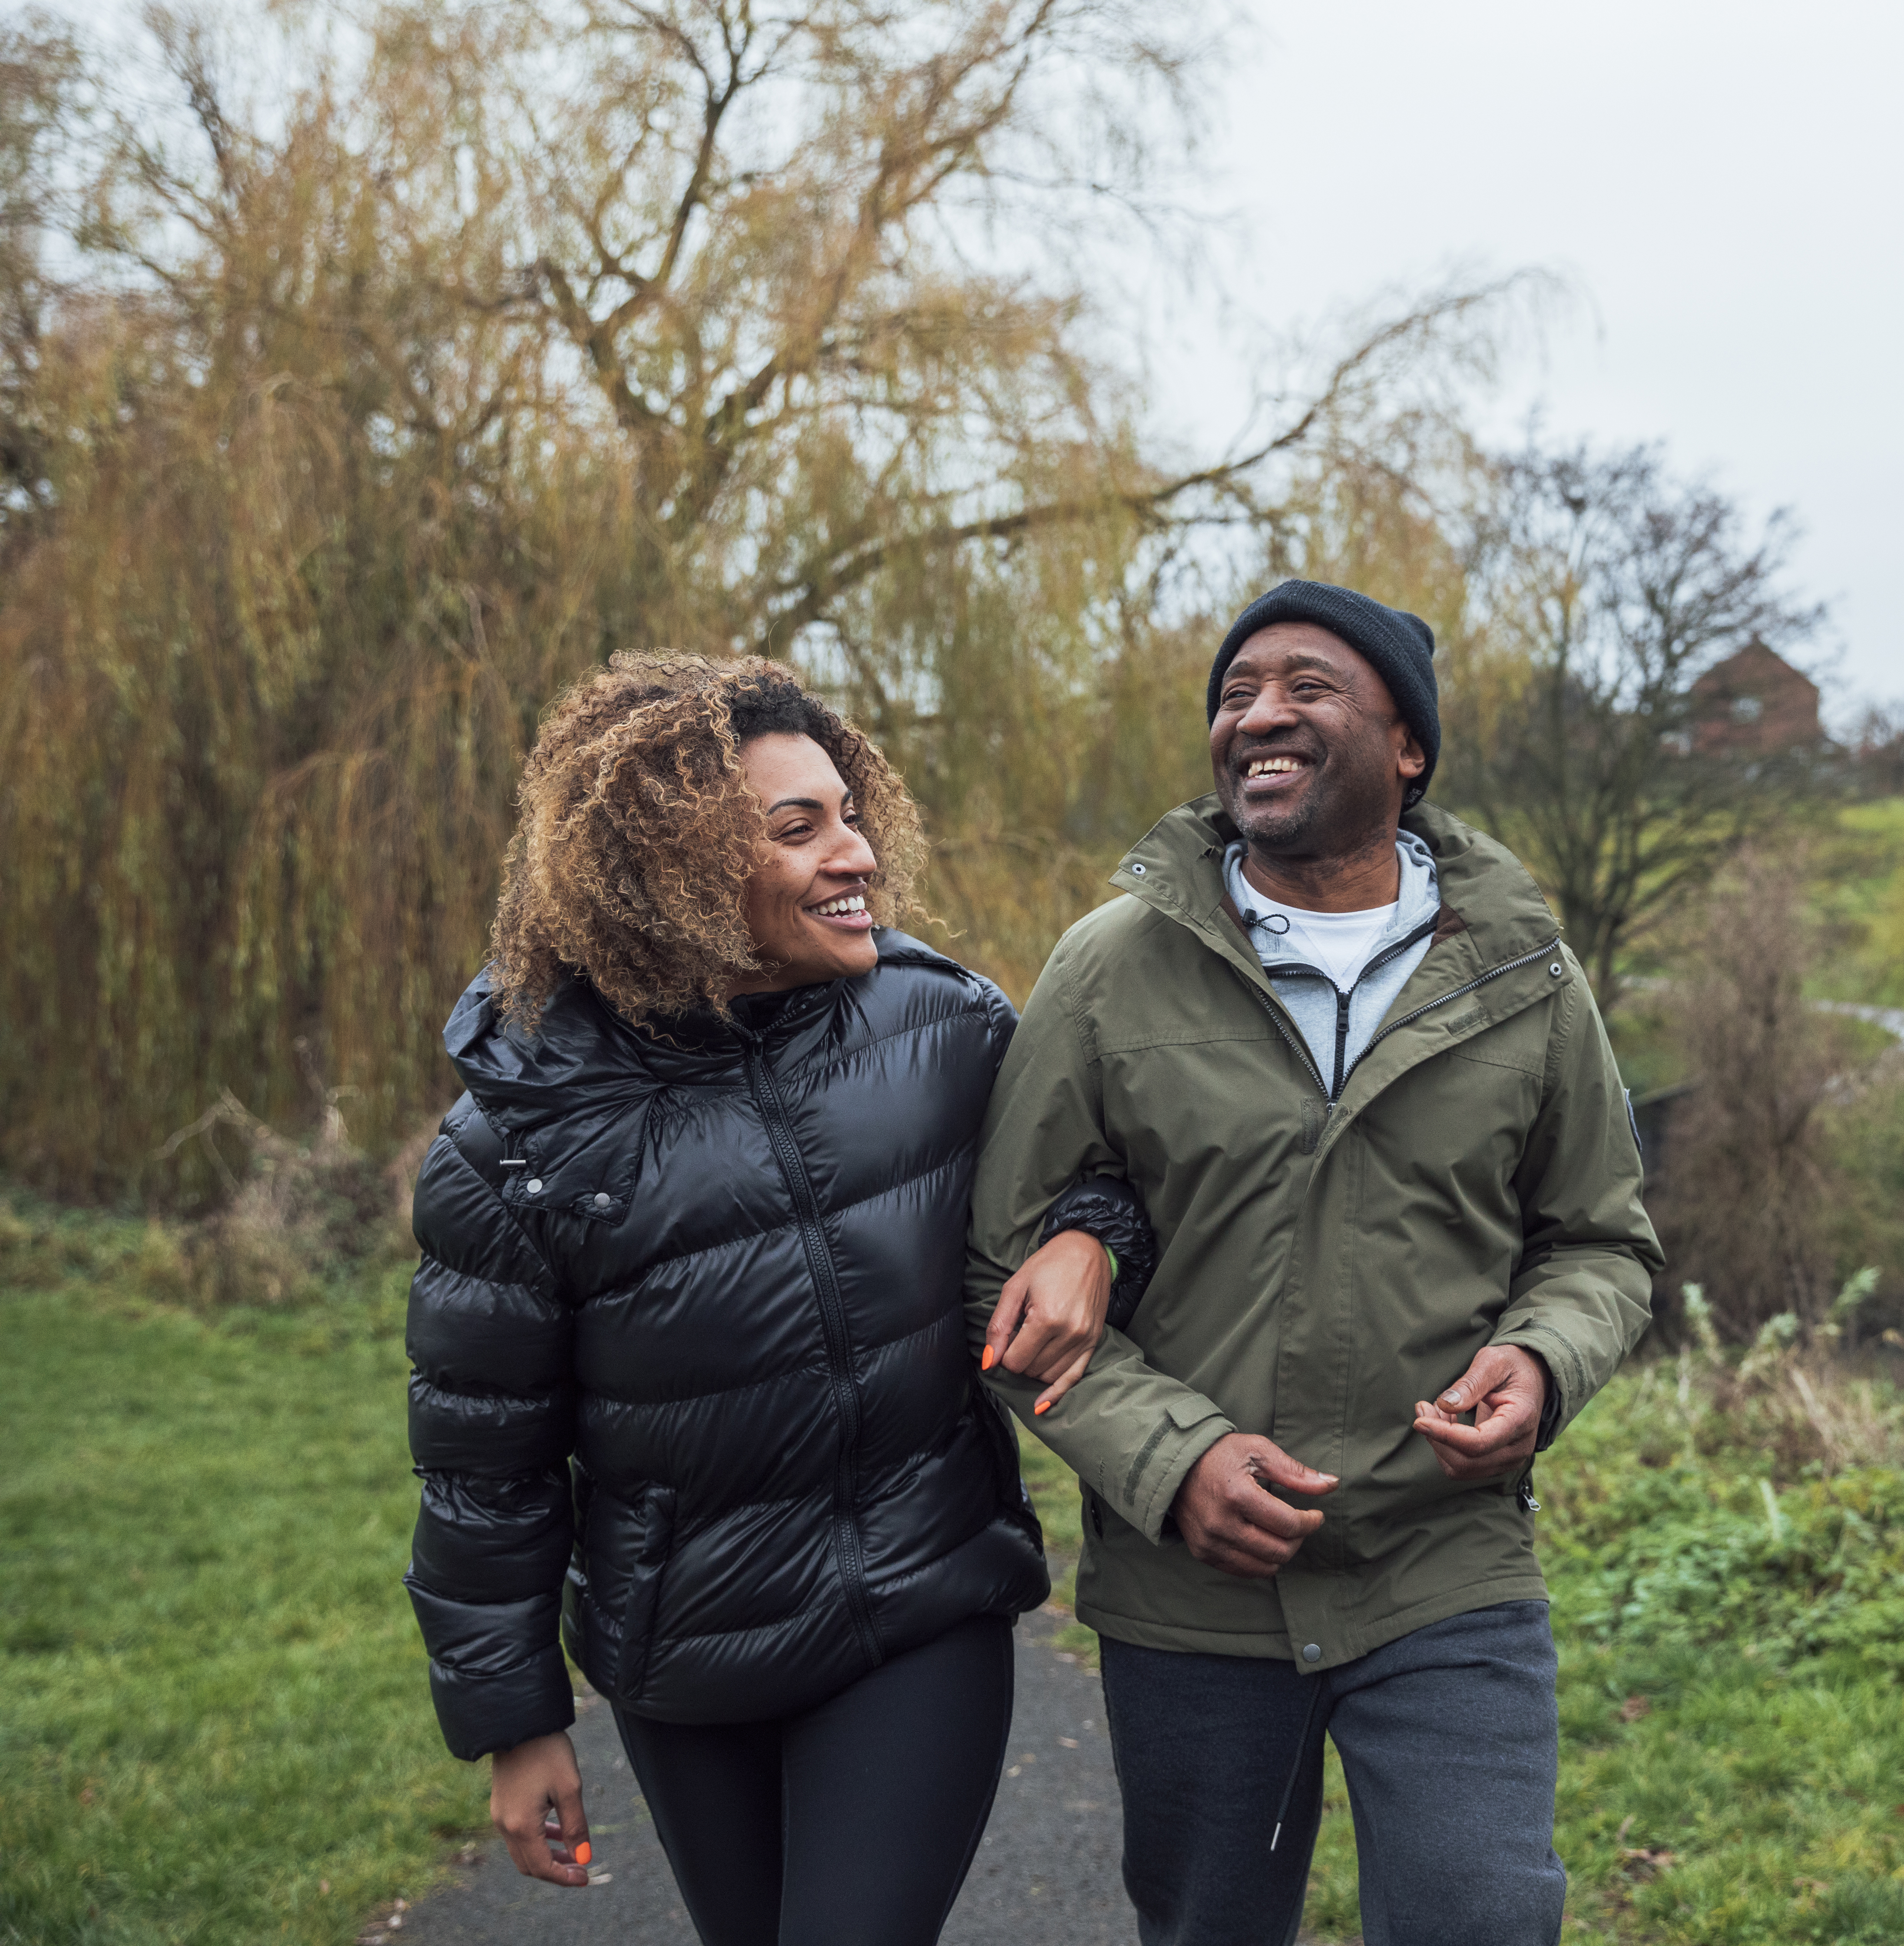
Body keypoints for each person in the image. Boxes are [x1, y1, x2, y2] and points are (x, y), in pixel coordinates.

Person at [403, 653, 1149, 1946]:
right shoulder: (518, 1134)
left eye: (849, 812)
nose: (854, 852)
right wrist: (516, 1724)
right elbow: (485, 1462)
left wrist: (1091, 1232)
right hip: (684, 1658)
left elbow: (1111, 1164)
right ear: (668, 873)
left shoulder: (945, 1025)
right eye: (797, 829)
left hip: (921, 1607)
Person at [967, 581, 1663, 1946]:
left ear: (1408, 747)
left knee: (1482, 1917)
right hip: (1192, 1596)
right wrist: (1173, 1466)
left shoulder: (1524, 973)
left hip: (1444, 1564)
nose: (1260, 716)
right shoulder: (1110, 969)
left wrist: (1540, 1361)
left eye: (1307, 686)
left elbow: (1600, 1242)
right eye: (1235, 695)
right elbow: (998, 1262)